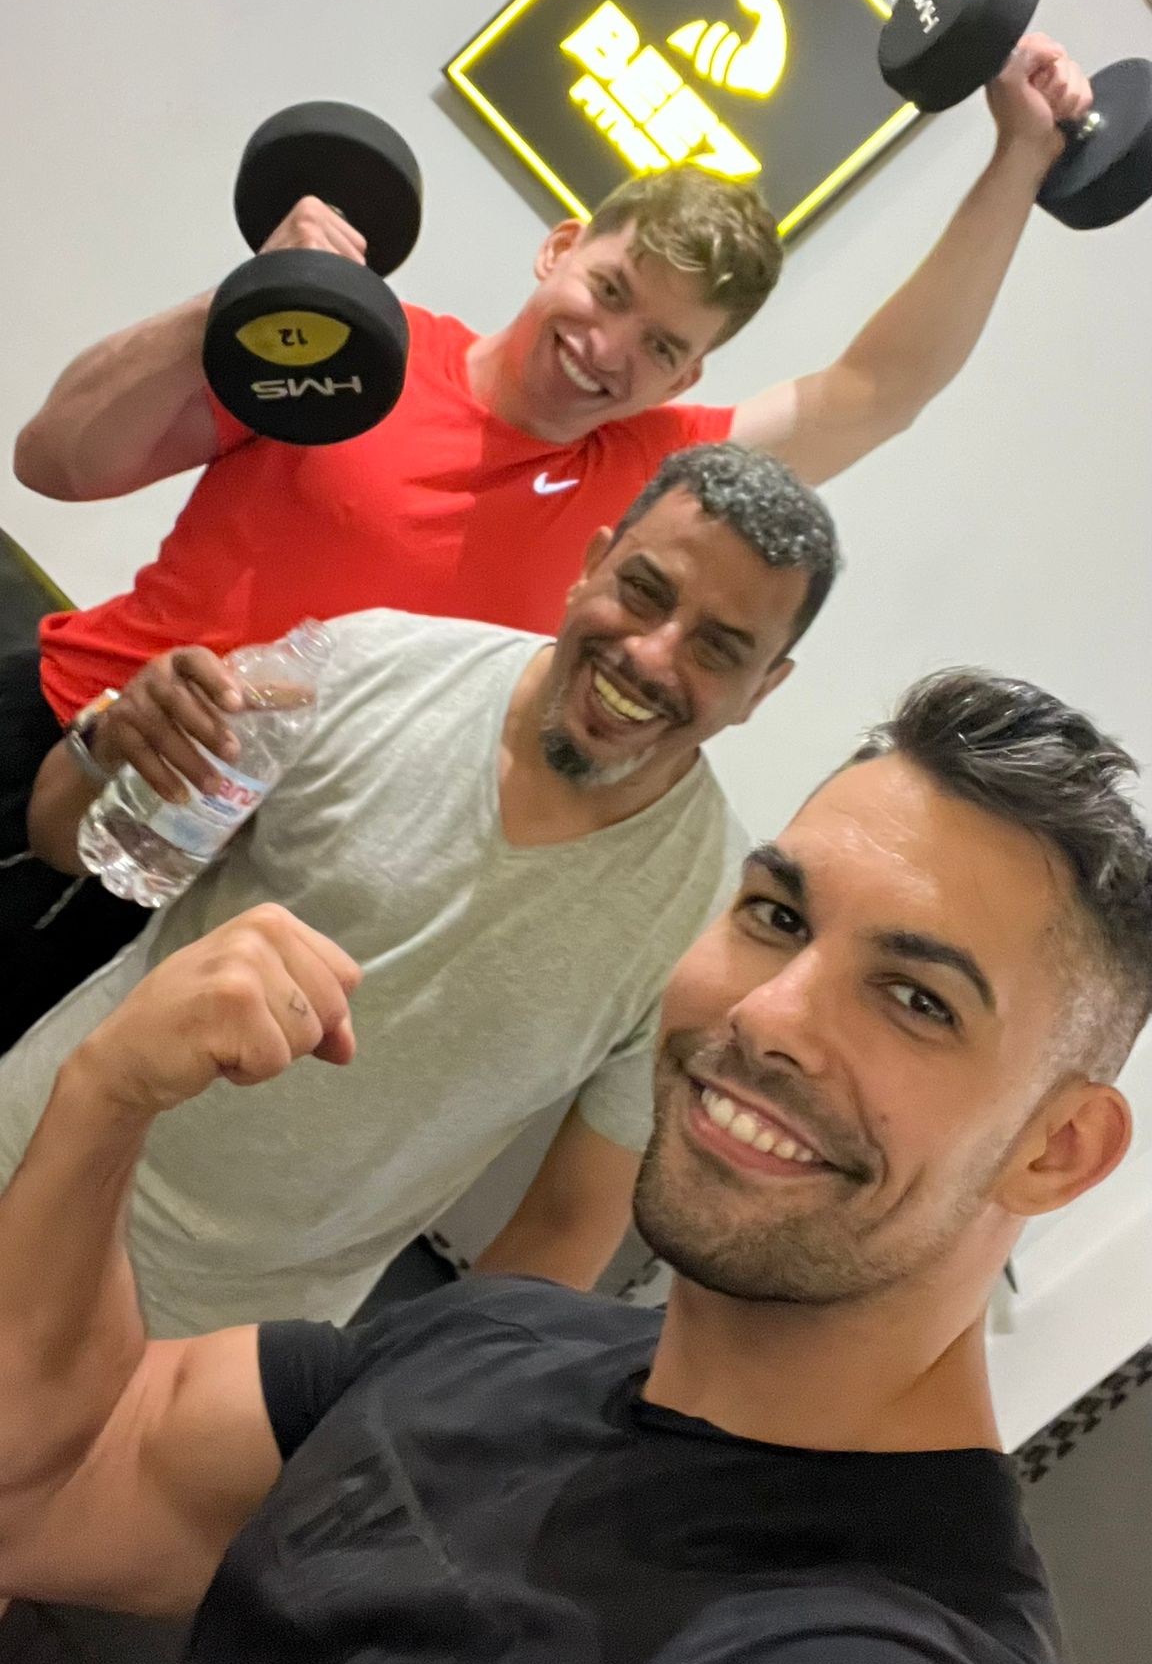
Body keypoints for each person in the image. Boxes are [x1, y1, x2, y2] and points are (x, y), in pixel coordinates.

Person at [1, 667, 1148, 1664]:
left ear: (1056, 1148)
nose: (767, 1014)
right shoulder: (495, 1341)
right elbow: (44, 1483)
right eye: (777, 917)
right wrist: (105, 1098)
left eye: (917, 998)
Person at [1, 36, 1091, 1028]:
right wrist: (242, 297)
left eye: (660, 346)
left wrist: (1021, 155)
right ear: (560, 249)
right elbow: (57, 461)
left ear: (689, 377)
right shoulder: (360, 345)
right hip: (56, 734)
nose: (609, 349)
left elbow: (880, 389)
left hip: (209, 877)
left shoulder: (647, 481)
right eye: (609, 290)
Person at [0, 445, 837, 1329]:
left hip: (225, 1340)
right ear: (591, 566)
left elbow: (564, 1230)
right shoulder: (368, 664)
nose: (652, 655)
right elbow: (62, 840)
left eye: (719, 648)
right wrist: (112, 741)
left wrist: (415, 1392)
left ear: (763, 689)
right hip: (27, 1150)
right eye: (643, 591)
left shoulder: (709, 926)